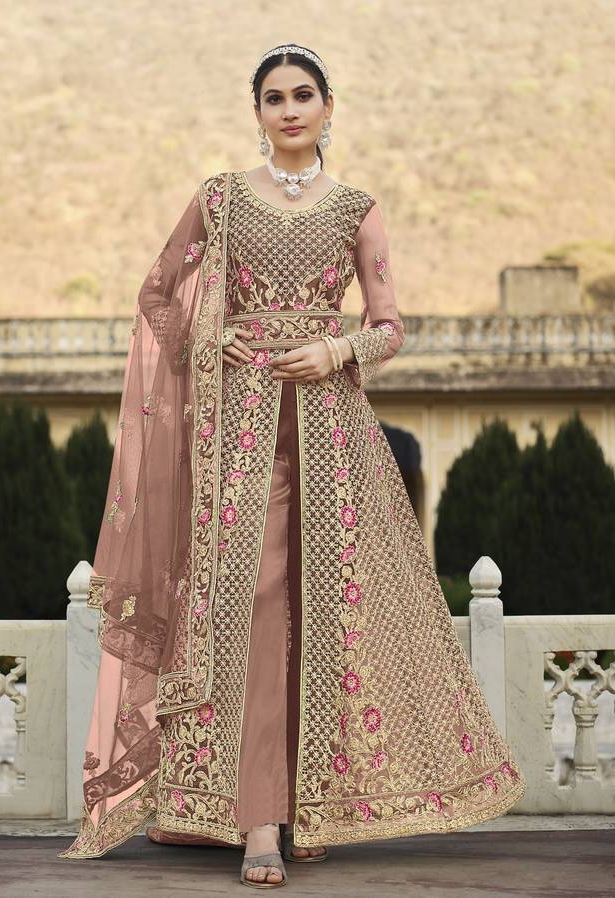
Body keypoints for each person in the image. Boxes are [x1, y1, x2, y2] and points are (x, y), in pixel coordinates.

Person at [58, 43, 525, 889]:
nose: (289, 110)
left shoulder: (357, 210)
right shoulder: (220, 199)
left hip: (332, 434)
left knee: (328, 614)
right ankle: (261, 821)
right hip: (238, 436)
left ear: (328, 106)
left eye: (303, 95)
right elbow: (158, 294)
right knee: (256, 609)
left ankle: (311, 807)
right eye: (273, 98)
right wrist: (214, 338)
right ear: (258, 113)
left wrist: (336, 349)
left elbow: (390, 325)